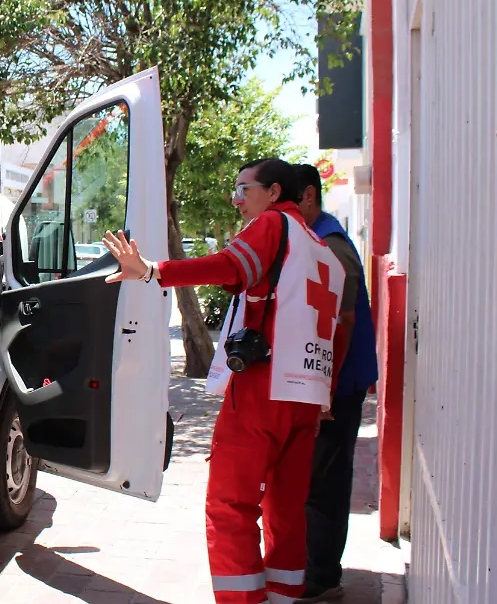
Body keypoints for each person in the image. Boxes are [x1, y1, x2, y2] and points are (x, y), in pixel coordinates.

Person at [102, 157, 347, 604]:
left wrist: (154, 271)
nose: (236, 199)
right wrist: (325, 394)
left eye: (243, 189)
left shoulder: (273, 224)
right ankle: (282, 596)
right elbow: (338, 328)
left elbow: (231, 267)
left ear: (274, 193)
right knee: (287, 512)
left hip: (263, 390)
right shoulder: (323, 250)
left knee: (230, 506)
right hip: (307, 396)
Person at [292, 164, 379, 603]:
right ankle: (316, 567)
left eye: (289, 200)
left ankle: (322, 576)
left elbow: (341, 322)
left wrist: (325, 389)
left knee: (325, 481)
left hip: (338, 386)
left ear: (308, 196)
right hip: (332, 382)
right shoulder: (317, 237)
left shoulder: (330, 244)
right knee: (317, 478)